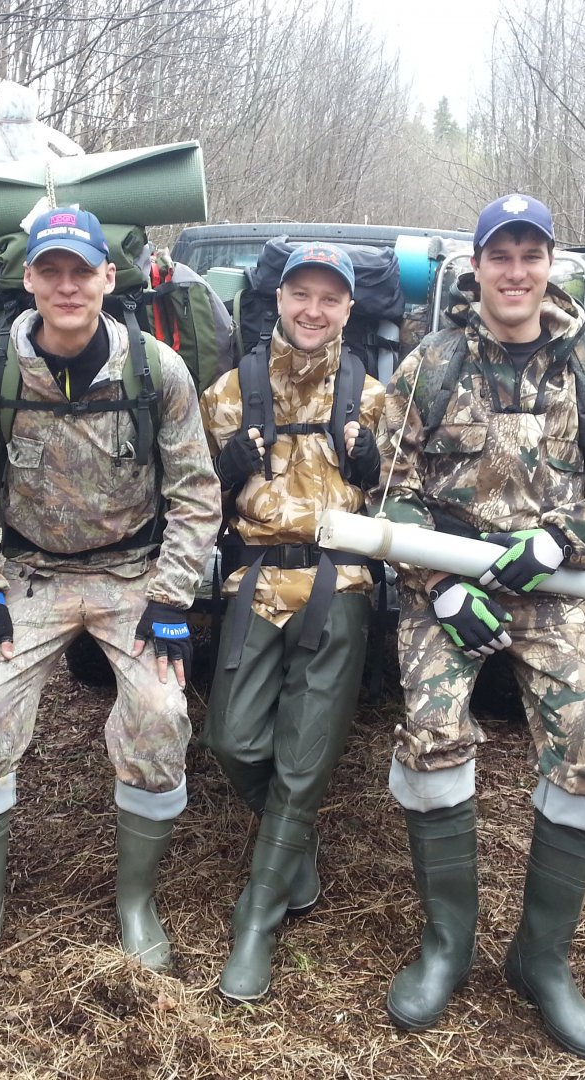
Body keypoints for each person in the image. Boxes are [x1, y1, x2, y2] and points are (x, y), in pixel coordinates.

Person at [376, 193, 585, 1060]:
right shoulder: (432, 363)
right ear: (477, 266)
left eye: (531, 255)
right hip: (447, 588)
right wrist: (438, 584)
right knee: (431, 735)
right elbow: (388, 488)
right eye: (501, 255)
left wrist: (560, 540)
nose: (516, 271)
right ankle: (447, 946)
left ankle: (542, 961)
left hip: (552, 588)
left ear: (550, 266)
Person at [0, 206, 221, 1003]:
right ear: (29, 279)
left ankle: (136, 904)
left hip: (131, 573)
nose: (67, 286)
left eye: (81, 271)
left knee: (161, 713)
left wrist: (171, 597)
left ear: (106, 277)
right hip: (29, 574)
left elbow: (197, 495)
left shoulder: (155, 371)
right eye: (51, 270)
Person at [199, 243, 384, 1001]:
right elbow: (189, 499)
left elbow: (406, 502)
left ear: (348, 309)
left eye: (329, 298)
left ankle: (256, 921)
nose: (313, 310)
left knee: (303, 762)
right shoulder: (227, 394)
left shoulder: (375, 399)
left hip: (340, 583)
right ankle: (295, 839)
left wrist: (373, 468)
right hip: (254, 579)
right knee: (232, 740)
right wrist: (225, 474)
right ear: (277, 299)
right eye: (300, 294)